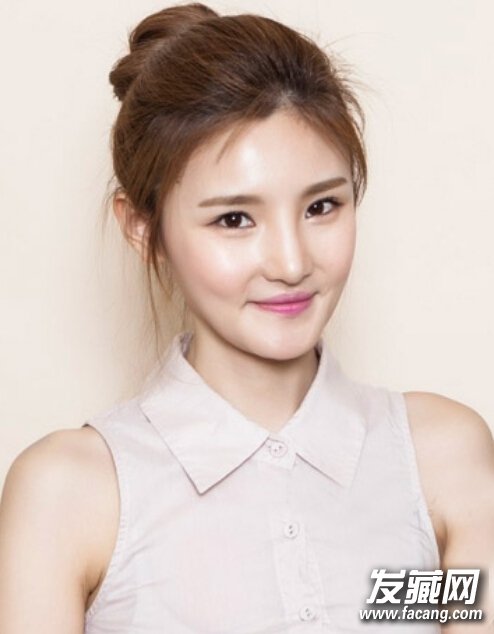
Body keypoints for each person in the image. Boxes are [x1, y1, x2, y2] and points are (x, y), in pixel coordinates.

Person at [0, 2, 492, 633]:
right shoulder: (70, 493)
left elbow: (415, 611)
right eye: (234, 219)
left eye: (321, 206)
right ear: (142, 227)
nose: (291, 263)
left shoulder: (439, 458)